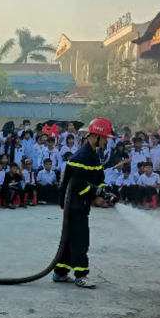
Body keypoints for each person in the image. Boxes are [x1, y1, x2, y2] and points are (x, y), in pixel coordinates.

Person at [52, 117, 113, 288]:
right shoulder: (81, 156)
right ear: (96, 137)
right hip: (74, 205)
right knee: (80, 240)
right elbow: (78, 184)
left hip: (81, 204)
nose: (107, 141)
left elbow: (99, 178)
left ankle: (60, 272)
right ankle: (81, 275)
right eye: (105, 138)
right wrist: (96, 196)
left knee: (69, 239)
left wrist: (104, 192)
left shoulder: (93, 155)